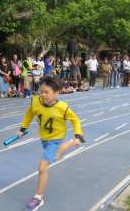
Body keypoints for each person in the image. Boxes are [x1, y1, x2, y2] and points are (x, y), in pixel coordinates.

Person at [17, 77, 85, 211]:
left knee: (42, 167)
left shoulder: (62, 107)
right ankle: (70, 144)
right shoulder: (35, 101)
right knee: (56, 157)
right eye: (41, 91)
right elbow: (29, 114)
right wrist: (23, 128)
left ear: (56, 92)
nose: (42, 95)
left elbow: (75, 120)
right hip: (44, 139)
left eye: (46, 92)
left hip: (56, 139)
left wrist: (77, 134)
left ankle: (38, 198)